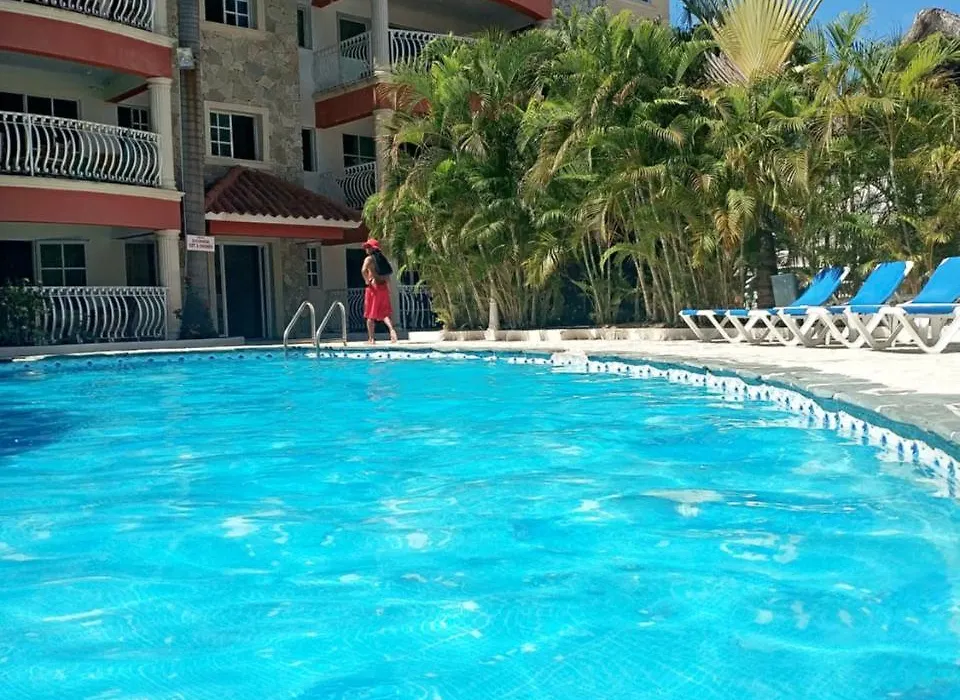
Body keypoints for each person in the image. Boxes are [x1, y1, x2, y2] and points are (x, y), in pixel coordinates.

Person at [361, 239, 398, 344]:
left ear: (373, 249)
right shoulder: (382, 259)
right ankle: (391, 330)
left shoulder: (369, 259)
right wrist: (389, 290)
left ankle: (371, 339)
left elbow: (363, 270)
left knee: (370, 314)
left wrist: (367, 281)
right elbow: (387, 277)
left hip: (373, 288)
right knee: (385, 313)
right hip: (383, 287)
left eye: (368, 247)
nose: (366, 249)